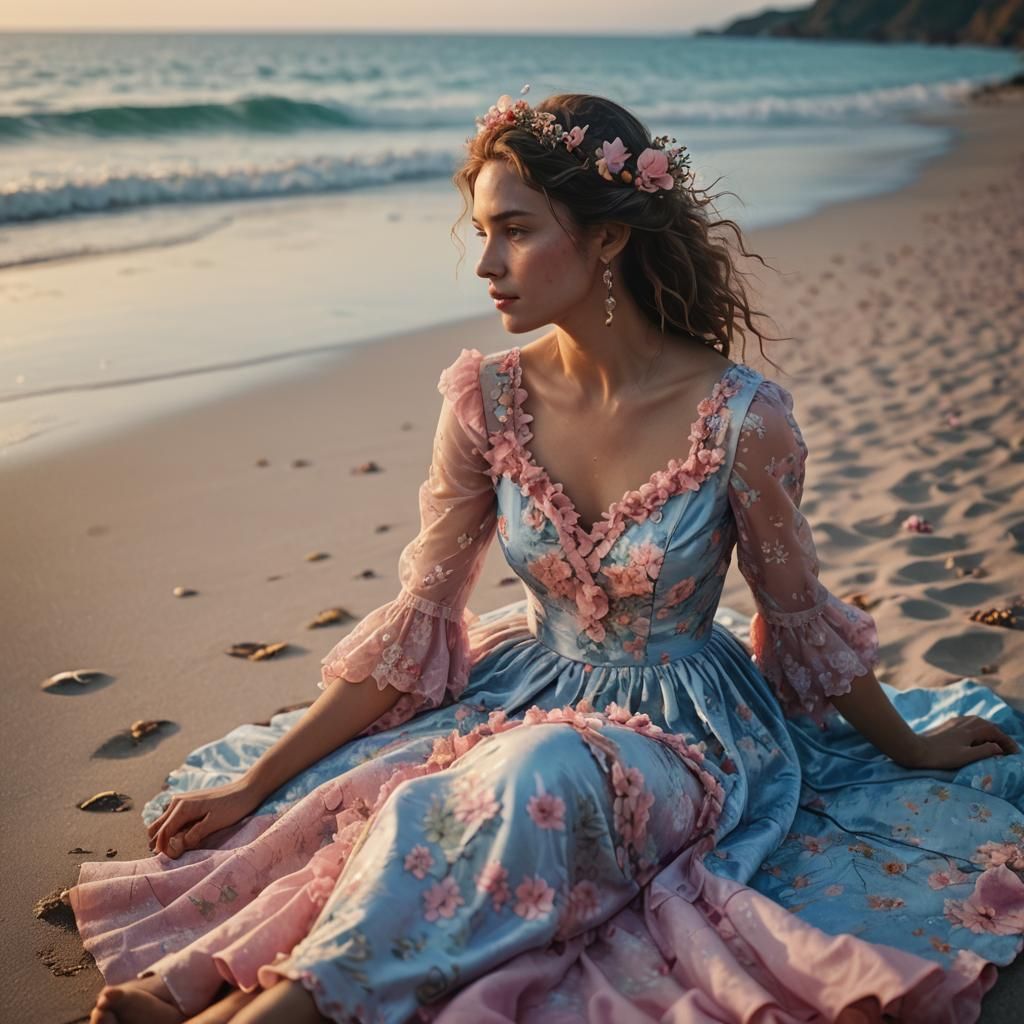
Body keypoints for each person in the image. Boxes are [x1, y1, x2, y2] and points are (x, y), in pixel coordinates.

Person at [73, 90, 1024, 1024]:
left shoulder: (740, 418)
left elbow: (799, 612)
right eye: (481, 231)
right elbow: (423, 618)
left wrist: (907, 746)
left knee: (543, 775)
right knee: (428, 802)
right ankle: (284, 994)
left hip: (689, 727)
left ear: (608, 236)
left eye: (517, 230)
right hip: (517, 687)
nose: (487, 262)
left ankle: (290, 1010)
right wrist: (256, 780)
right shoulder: (486, 398)